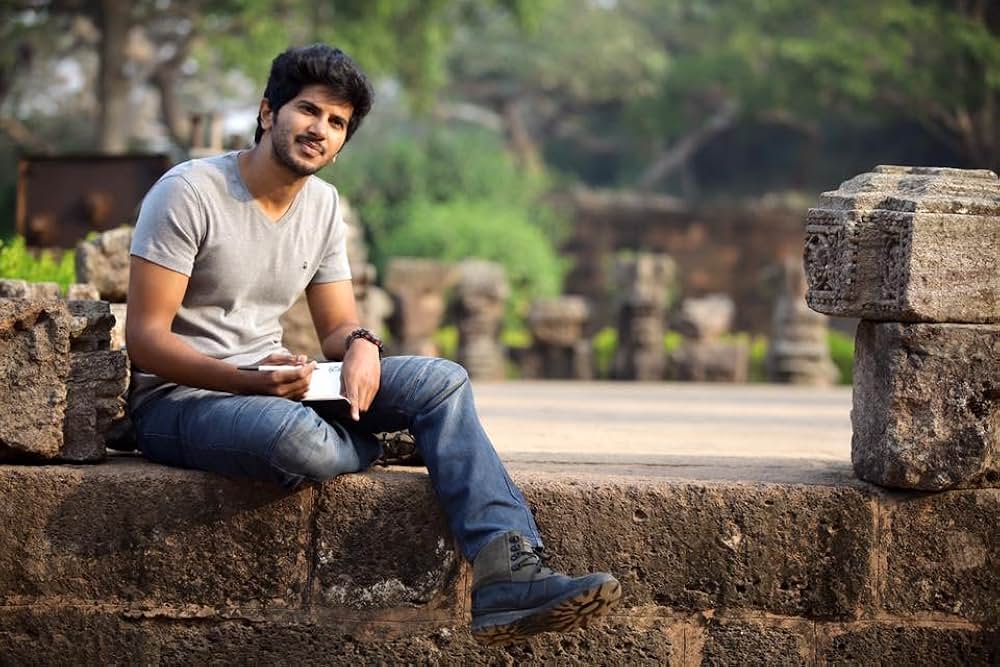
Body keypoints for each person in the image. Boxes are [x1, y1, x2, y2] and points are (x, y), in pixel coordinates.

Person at [125, 44, 620, 645]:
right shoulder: (191, 192)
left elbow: (338, 325)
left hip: (279, 385)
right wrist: (250, 381)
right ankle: (380, 444)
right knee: (300, 442)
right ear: (266, 113)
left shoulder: (324, 205)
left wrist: (360, 344)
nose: (320, 130)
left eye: (337, 123)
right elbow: (146, 341)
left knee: (443, 380)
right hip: (182, 401)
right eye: (308, 111)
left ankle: (505, 571)